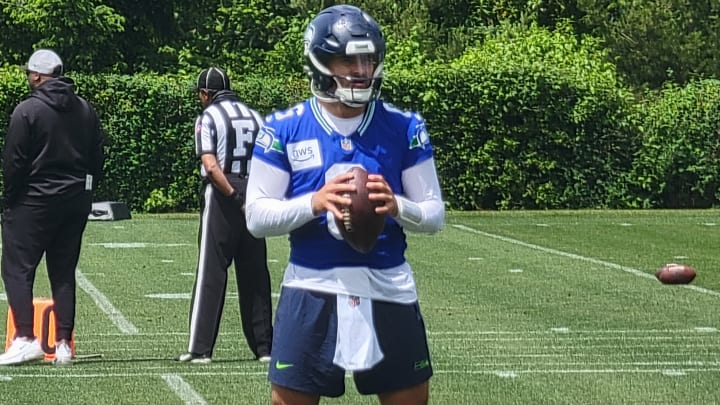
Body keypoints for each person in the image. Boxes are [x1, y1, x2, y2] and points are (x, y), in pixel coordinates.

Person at [245, 5, 445, 405]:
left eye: (368, 58)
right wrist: (314, 203)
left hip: (389, 286)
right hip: (311, 287)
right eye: (348, 58)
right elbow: (256, 217)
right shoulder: (283, 127)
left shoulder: (404, 126)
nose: (361, 69)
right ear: (320, 61)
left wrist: (397, 206)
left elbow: (434, 214)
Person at [0, 49, 106, 366]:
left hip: (34, 199)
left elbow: (14, 163)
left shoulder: (27, 111)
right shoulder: (85, 109)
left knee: (17, 268)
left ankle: (25, 338)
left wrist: (10, 199)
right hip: (74, 199)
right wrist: (83, 188)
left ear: (37, 76)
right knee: (63, 272)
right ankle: (62, 345)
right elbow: (97, 158)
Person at [178, 67, 273, 364]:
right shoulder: (256, 116)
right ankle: (265, 348)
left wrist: (233, 195)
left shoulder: (208, 117)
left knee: (211, 270)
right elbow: (272, 160)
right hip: (255, 188)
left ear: (206, 94)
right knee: (256, 272)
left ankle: (200, 348)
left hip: (224, 192)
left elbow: (210, 164)